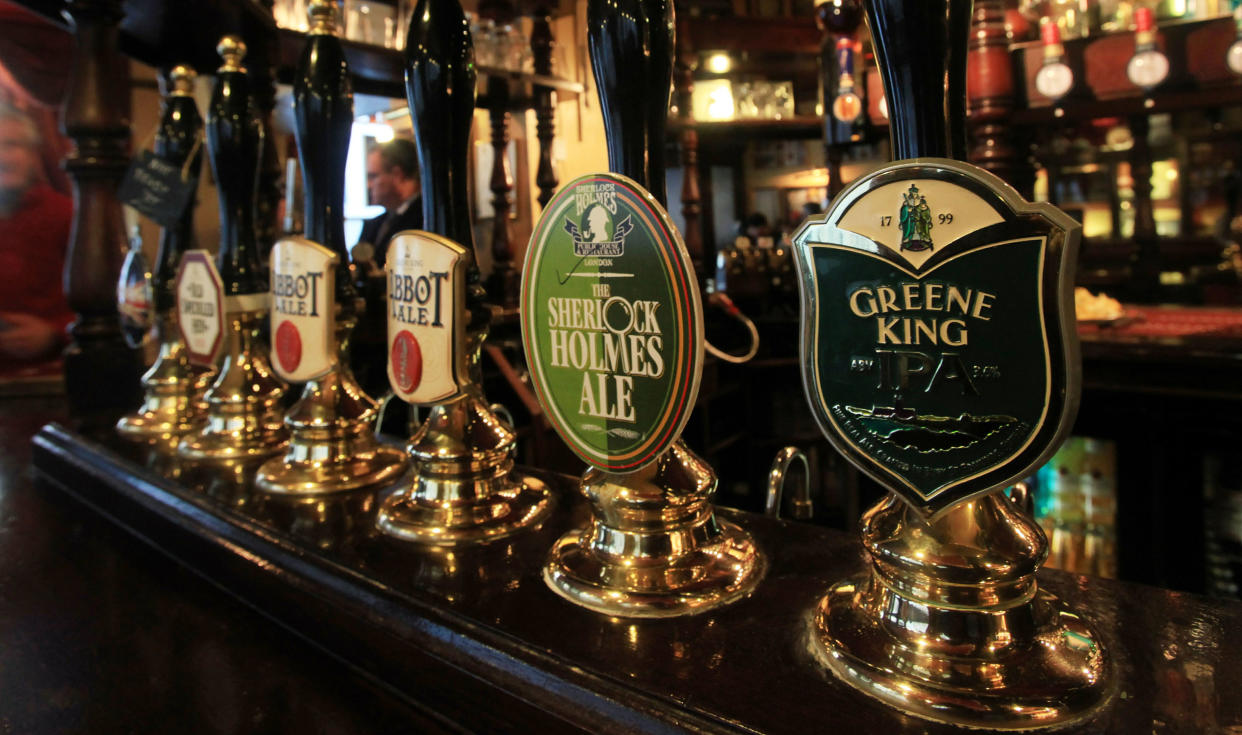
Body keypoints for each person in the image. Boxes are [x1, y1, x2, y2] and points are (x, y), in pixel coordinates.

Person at [0, 101, 73, 365]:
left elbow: (114, 304)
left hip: (54, 380)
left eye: (12, 145)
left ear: (33, 155)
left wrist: (54, 333)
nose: (3, 158)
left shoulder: (66, 214)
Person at [358, 138, 422, 268]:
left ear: (397, 175)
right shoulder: (376, 223)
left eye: (373, 176)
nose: (368, 185)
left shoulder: (424, 222)